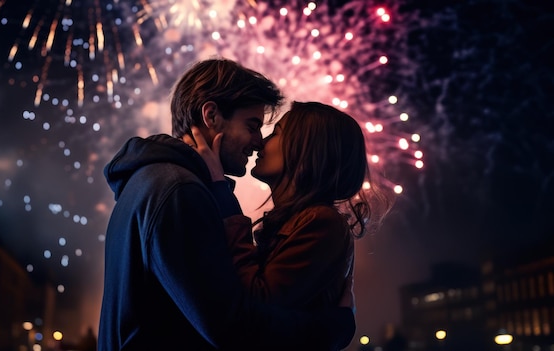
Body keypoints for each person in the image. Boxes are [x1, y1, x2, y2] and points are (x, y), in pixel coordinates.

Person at [98, 58, 356, 351]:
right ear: (212, 116)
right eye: (253, 125)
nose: (259, 142)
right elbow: (234, 327)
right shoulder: (180, 191)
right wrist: (334, 328)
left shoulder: (153, 179)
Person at [190, 101, 388, 322]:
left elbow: (256, 302)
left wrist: (221, 189)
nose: (260, 143)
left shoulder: (322, 222)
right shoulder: (298, 221)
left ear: (307, 150)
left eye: (276, 133)